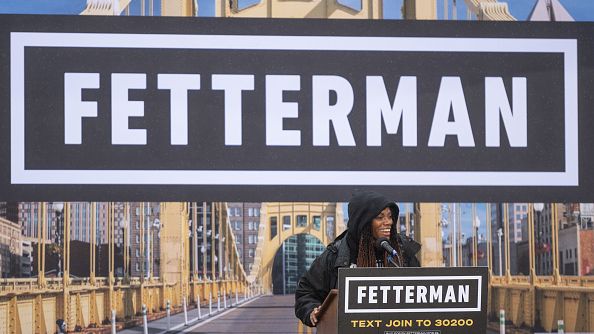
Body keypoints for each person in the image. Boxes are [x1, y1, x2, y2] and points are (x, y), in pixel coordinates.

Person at [294, 190, 421, 327]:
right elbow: (306, 292)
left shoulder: (401, 252)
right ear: (363, 222)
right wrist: (312, 311)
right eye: (380, 217)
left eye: (390, 217)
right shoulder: (335, 255)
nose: (388, 222)